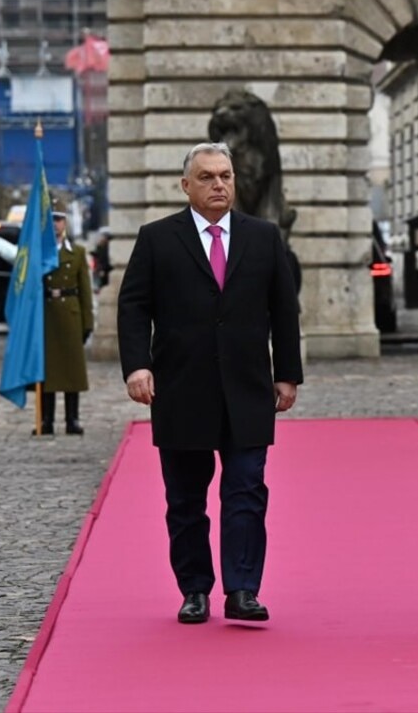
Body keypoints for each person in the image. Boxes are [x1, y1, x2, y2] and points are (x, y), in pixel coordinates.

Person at [117, 141, 302, 625]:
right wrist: (137, 365)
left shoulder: (263, 238)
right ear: (186, 185)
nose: (219, 184)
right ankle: (194, 588)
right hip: (180, 390)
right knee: (185, 500)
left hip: (247, 389)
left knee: (246, 490)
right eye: (207, 177)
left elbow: (283, 310)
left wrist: (286, 373)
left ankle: (243, 589)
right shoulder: (157, 238)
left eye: (225, 176)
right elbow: (134, 306)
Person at [39, 200, 94, 435]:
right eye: (51, 219)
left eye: (59, 219)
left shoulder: (78, 252)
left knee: (72, 370)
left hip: (71, 313)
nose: (55, 224)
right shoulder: (40, 251)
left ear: (66, 222)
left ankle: (72, 419)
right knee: (47, 372)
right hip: (47, 314)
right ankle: (46, 420)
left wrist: (88, 322)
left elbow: (85, 289)